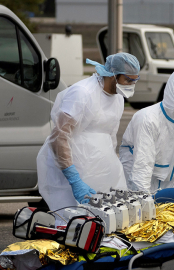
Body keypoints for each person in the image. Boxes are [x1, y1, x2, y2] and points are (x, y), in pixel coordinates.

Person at [37, 53, 140, 211]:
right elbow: (59, 137)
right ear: (113, 75)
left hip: (100, 173)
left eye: (135, 81)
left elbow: (109, 136)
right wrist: (74, 179)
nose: (131, 85)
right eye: (128, 80)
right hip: (72, 176)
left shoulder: (118, 98)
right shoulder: (82, 93)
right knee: (72, 224)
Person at [119, 70, 174, 193]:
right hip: (135, 178)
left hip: (168, 182)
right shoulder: (148, 119)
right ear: (171, 100)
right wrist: (143, 199)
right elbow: (143, 165)